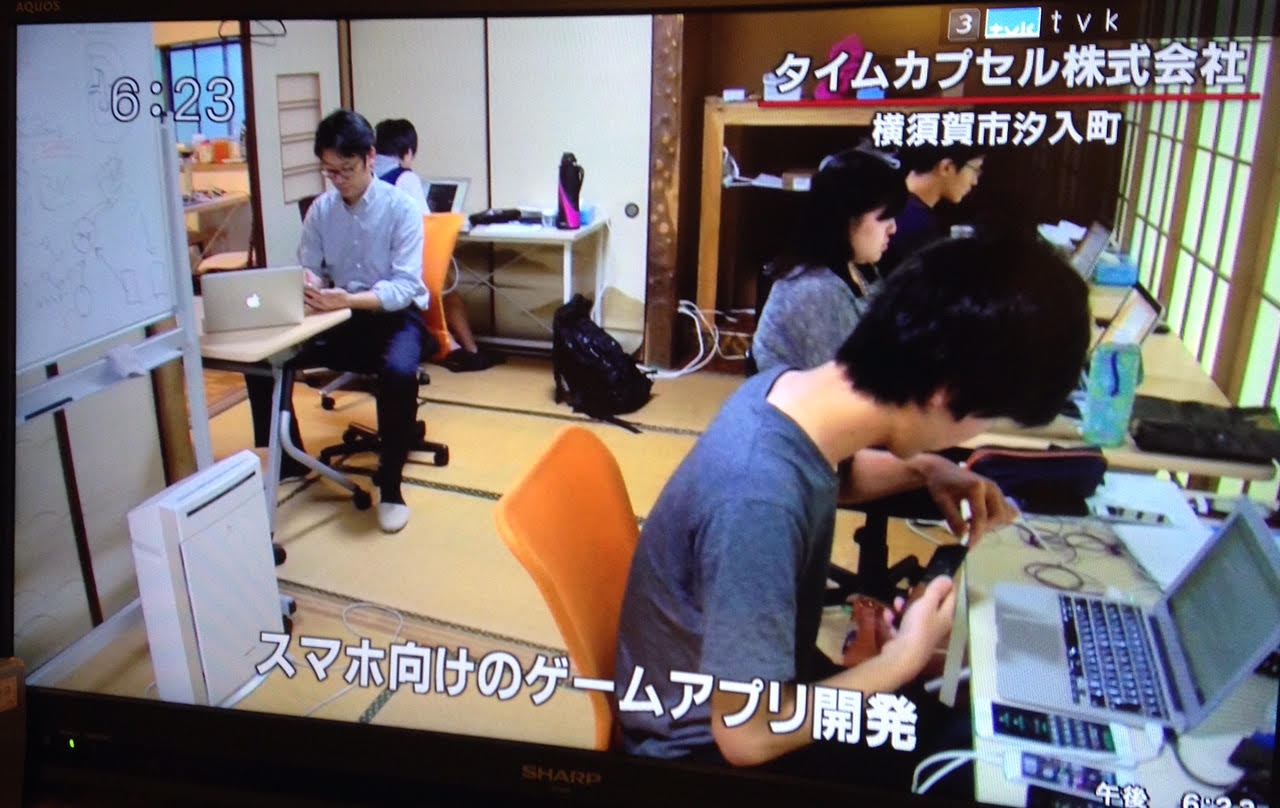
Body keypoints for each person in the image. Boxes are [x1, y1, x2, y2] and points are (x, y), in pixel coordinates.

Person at [613, 233, 1091, 787]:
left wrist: (926, 470)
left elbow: (825, 477)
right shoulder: (757, 499)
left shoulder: (786, 394)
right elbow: (747, 737)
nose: (972, 436)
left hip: (758, 690)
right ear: (944, 394)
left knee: (970, 731)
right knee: (986, 763)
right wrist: (902, 659)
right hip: (704, 754)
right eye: (984, 419)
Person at [245, 109, 431, 533]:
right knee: (262, 359)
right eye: (329, 172)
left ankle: (390, 484)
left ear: (370, 157)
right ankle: (287, 460)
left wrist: (347, 299)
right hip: (337, 313)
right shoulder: (321, 210)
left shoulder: (401, 208)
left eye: (346, 170)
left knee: (399, 372)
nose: (338, 180)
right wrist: (310, 283)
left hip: (394, 315)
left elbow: (404, 287)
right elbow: (309, 266)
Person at [751, 146, 905, 374]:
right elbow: (844, 382)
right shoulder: (813, 290)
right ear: (848, 217)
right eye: (885, 217)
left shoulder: (856, 267)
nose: (893, 229)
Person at [372, 117, 500, 373]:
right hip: (400, 267)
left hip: (372, 268)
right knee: (447, 288)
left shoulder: (367, 176)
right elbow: (425, 224)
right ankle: (465, 350)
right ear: (407, 153)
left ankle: (453, 345)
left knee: (441, 288)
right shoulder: (405, 178)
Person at [879, 144, 985, 274]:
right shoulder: (914, 222)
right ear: (946, 167)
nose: (974, 181)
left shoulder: (893, 203)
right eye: (975, 170)